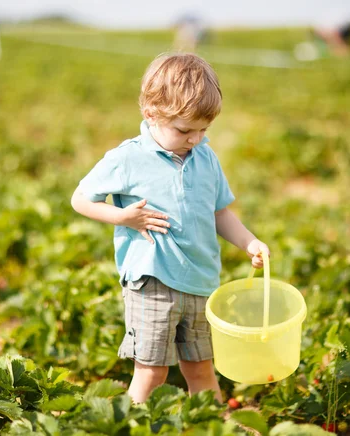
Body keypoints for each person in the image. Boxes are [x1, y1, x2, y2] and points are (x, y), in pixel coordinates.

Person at [71, 53, 270, 404]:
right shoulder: (128, 158)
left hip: (201, 280)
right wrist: (123, 217)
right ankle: (127, 425)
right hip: (152, 280)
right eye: (184, 130)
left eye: (203, 129)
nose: (195, 138)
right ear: (152, 114)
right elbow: (80, 199)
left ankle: (212, 426)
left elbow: (219, 213)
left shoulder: (206, 157)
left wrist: (249, 242)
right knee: (151, 370)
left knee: (201, 367)